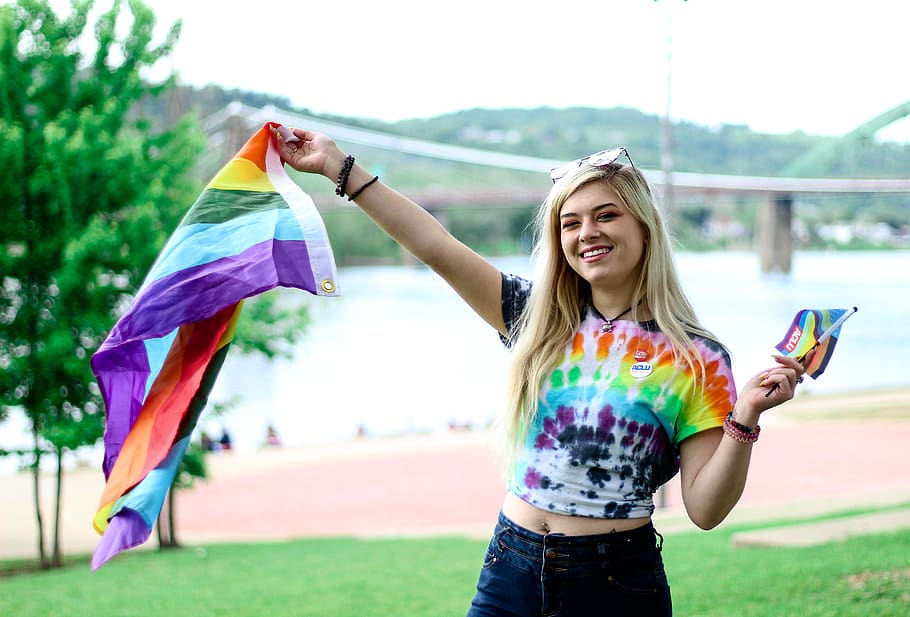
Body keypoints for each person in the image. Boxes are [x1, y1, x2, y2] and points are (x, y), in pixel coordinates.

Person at [273, 128, 806, 616]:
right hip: (512, 566)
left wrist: (746, 417)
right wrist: (338, 167)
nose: (586, 233)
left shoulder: (697, 356)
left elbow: (705, 509)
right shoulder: (537, 319)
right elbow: (435, 247)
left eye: (606, 215)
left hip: (616, 582)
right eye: (569, 223)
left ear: (644, 225)